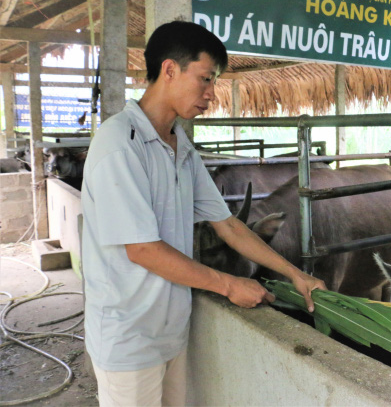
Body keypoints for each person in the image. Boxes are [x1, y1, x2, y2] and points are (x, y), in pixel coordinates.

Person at [81, 20, 326, 407]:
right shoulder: (119, 144)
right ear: (169, 70)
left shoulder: (181, 148)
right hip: (128, 338)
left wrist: (295, 274)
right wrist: (229, 285)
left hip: (171, 331)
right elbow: (141, 249)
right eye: (206, 79)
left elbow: (227, 224)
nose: (211, 94)